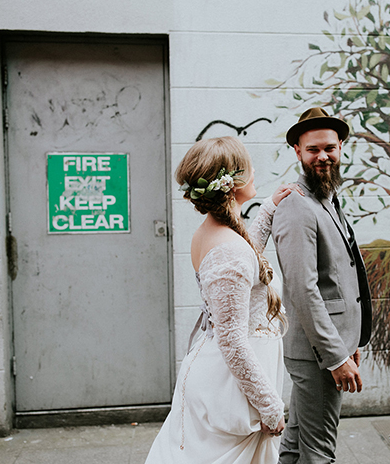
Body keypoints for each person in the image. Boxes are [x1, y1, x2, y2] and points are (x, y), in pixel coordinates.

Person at [145, 136, 301, 464]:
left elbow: (245, 256)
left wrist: (268, 210)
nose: (255, 170)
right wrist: (271, 406)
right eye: (248, 166)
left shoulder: (219, 235)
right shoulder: (228, 251)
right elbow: (232, 342)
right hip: (229, 390)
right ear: (230, 183)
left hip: (227, 382)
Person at [272, 107, 372, 463]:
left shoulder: (326, 198)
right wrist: (335, 356)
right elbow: (304, 290)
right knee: (319, 454)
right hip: (316, 355)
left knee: (296, 447)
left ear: (341, 146)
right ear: (298, 152)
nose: (323, 156)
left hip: (321, 348)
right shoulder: (297, 206)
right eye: (313, 149)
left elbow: (337, 282)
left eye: (329, 147)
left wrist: (350, 340)